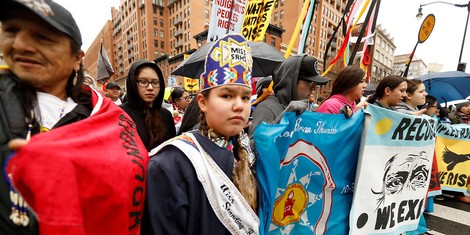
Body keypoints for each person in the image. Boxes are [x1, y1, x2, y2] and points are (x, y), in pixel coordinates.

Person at [1, 1, 147, 234]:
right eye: (11, 31)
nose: (20, 45)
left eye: (42, 37)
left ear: (76, 59)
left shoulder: (106, 116)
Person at [142, 34, 259, 234]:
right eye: (227, 95)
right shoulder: (171, 165)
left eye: (246, 97)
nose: (239, 105)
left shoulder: (247, 154)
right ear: (202, 102)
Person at [249, 55, 330, 137]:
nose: (313, 88)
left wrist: (340, 124)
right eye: (309, 82)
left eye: (315, 83)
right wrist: (282, 119)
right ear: (291, 81)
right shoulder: (267, 109)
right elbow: (251, 146)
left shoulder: (302, 110)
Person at [120, 60, 175, 151]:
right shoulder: (120, 115)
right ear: (133, 83)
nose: (150, 87)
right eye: (143, 82)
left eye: (155, 82)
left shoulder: (166, 115)